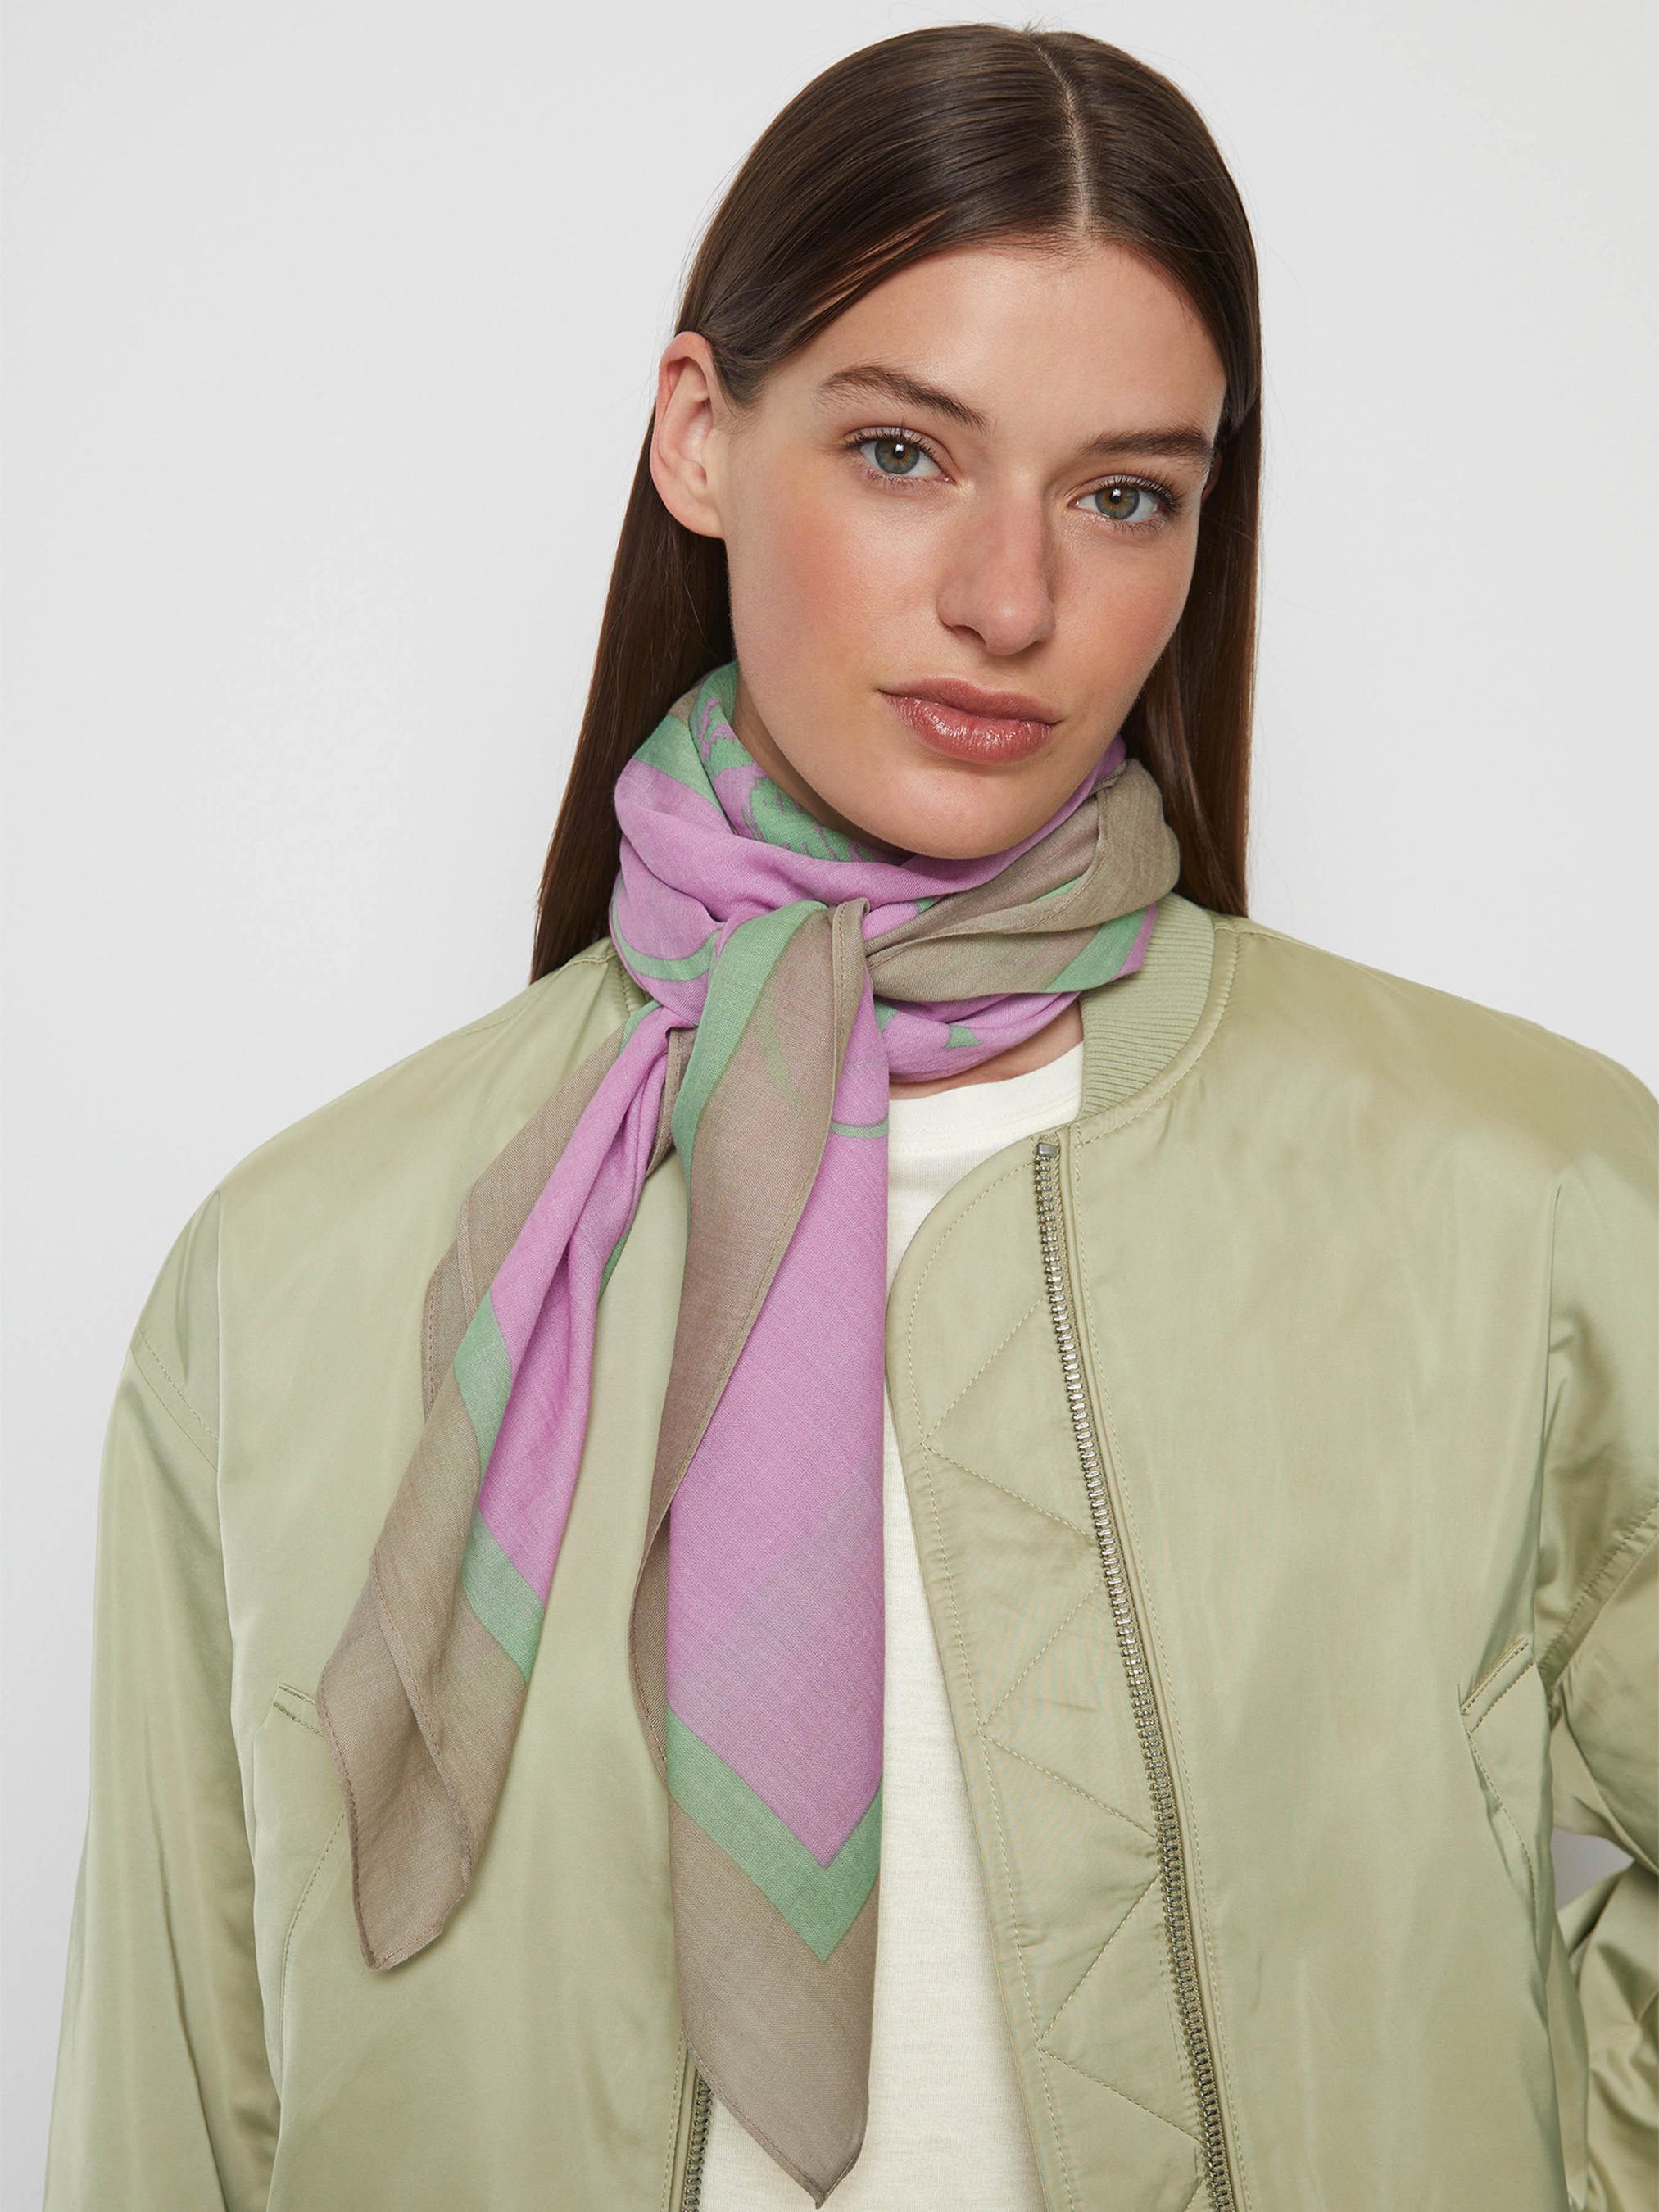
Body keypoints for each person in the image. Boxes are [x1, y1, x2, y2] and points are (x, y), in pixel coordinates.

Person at [43, 24, 1655, 2212]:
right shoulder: (295, 1272)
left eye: (1124, 493)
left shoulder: (1523, 1200)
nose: (1011, 599)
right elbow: (174, 2102)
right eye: (904, 453)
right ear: (700, 436)